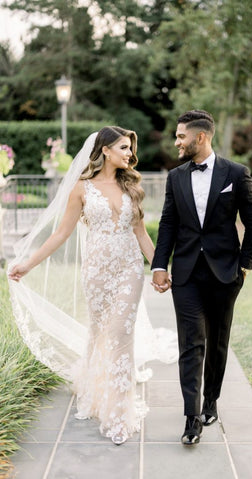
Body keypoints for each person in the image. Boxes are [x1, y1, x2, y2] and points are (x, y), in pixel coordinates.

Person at [8, 126, 169, 446]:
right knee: (99, 333)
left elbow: (141, 234)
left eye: (129, 149)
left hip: (128, 270)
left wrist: (159, 268)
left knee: (120, 335)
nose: (129, 154)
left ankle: (119, 414)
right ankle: (94, 391)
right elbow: (60, 234)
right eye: (123, 148)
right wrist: (27, 264)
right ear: (105, 150)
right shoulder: (81, 189)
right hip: (96, 273)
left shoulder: (131, 187)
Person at [151, 110, 252, 445]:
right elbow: (168, 223)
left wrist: (245, 265)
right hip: (185, 273)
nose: (176, 142)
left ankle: (211, 399)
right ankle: (191, 417)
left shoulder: (236, 173)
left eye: (181, 136)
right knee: (191, 343)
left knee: (217, 340)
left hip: (225, 273)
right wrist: (159, 265)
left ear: (201, 137)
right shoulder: (175, 178)